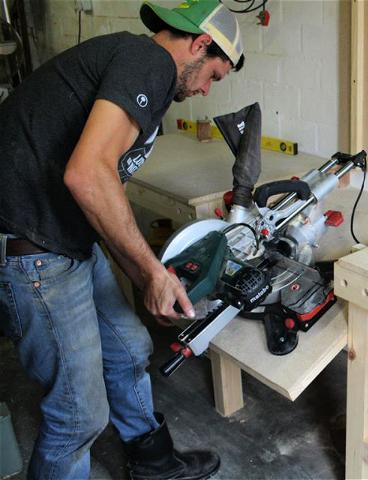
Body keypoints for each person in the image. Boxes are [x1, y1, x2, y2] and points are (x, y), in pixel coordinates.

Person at [0, 0, 245, 478]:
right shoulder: (149, 62)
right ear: (198, 45)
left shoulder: (132, 65)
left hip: (67, 237)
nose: (202, 90)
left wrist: (144, 274)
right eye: (212, 75)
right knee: (78, 414)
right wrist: (151, 272)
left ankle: (151, 460)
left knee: (130, 347)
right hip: (34, 251)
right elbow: (87, 175)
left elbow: (101, 188)